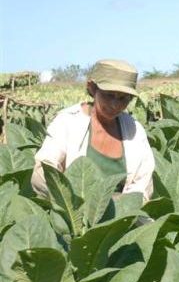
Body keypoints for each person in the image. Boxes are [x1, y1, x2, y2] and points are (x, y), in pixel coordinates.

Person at [32, 59, 155, 201]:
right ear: (92, 88)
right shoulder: (67, 122)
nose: (115, 105)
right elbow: (43, 172)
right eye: (109, 95)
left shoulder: (135, 130)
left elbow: (143, 184)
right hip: (72, 216)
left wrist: (122, 209)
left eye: (123, 98)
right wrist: (72, 203)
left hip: (122, 218)